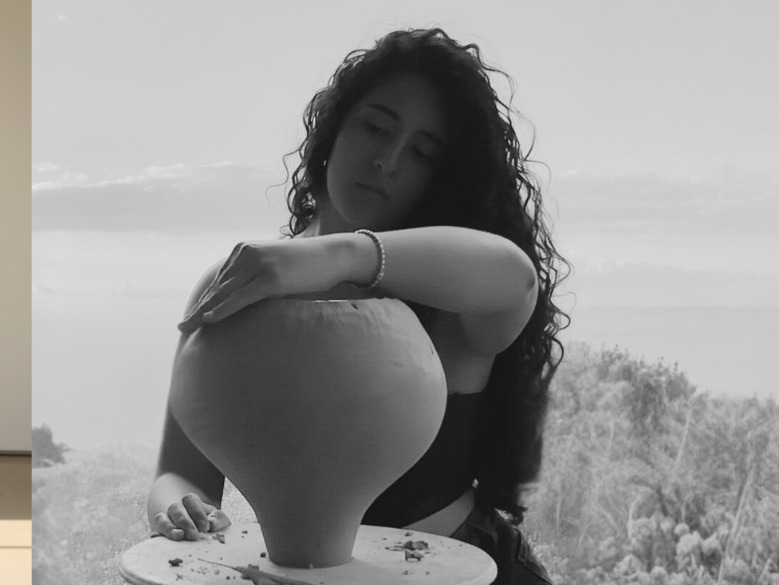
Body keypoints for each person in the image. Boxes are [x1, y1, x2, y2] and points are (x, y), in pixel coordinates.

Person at [145, 28, 566, 585]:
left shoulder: (452, 292)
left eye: (421, 152)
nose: (387, 161)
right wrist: (178, 507)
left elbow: (516, 280)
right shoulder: (241, 284)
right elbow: (180, 471)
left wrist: (344, 253)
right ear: (334, 126)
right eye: (376, 127)